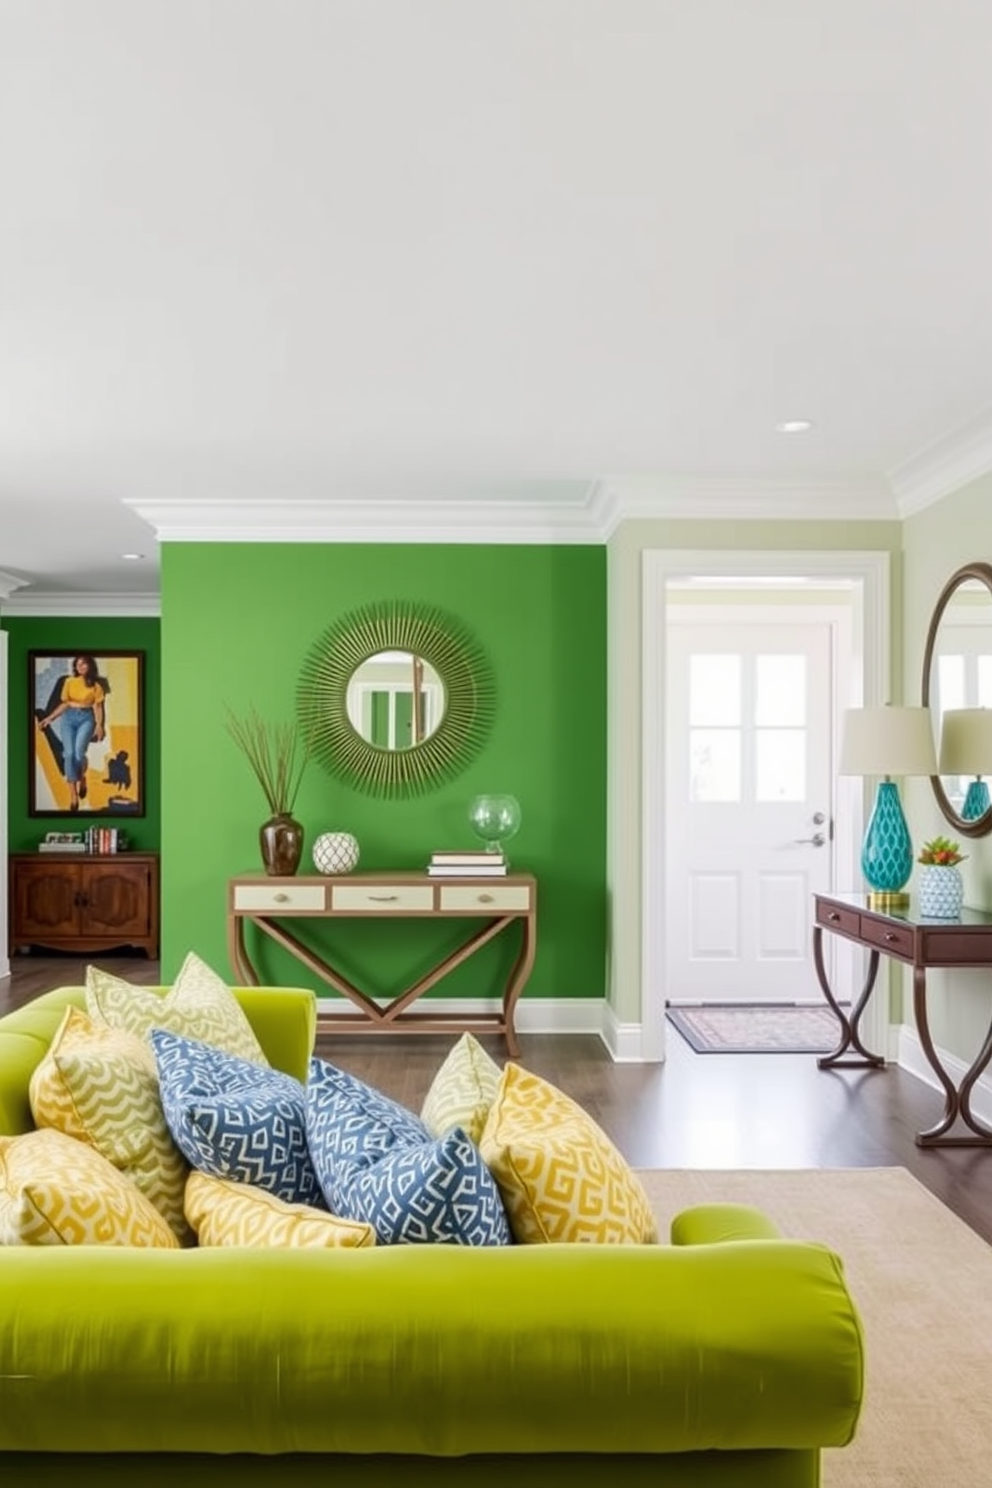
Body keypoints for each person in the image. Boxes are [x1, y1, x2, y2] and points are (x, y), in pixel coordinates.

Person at [37, 655, 107, 812]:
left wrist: (99, 726)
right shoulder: (69, 682)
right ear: (75, 666)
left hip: (86, 719)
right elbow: (65, 703)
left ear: (90, 666)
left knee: (78, 754)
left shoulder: (96, 686)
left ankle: (82, 777)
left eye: (84, 664)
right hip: (68, 718)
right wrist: (50, 718)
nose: (81, 666)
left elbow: (98, 707)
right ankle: (73, 795)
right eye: (78, 664)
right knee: (68, 754)